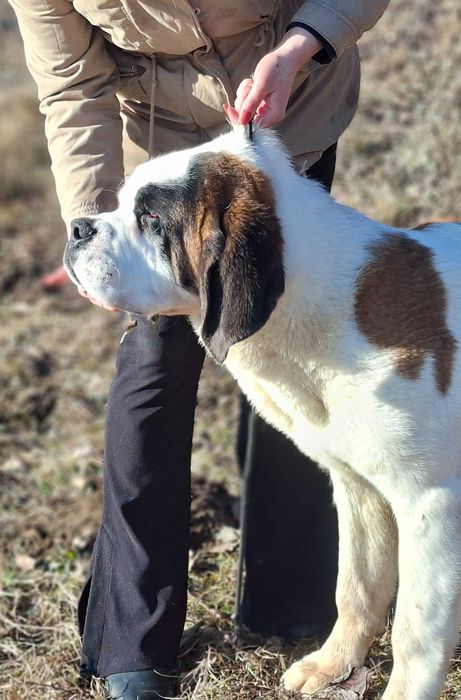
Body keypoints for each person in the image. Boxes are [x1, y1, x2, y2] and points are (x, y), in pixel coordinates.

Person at [9, 1, 389, 697]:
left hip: (285, 115)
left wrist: (303, 46)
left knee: (293, 342)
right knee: (153, 365)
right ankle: (133, 639)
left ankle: (295, 602)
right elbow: (71, 83)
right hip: (155, 153)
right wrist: (98, 232)